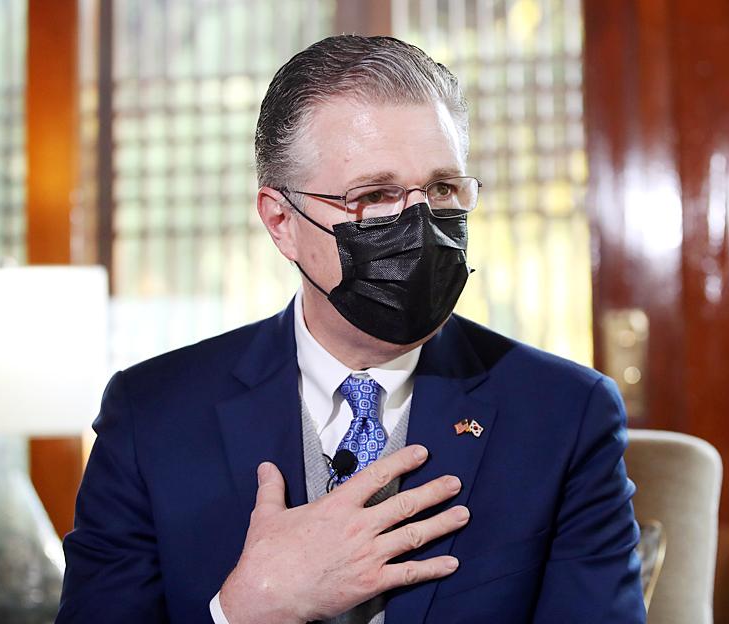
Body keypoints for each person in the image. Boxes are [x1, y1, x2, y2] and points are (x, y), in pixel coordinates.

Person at [57, 35, 645, 624]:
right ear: (281, 221)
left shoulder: (565, 414)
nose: (420, 224)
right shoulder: (151, 415)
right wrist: (244, 610)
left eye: (442, 188)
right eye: (375, 196)